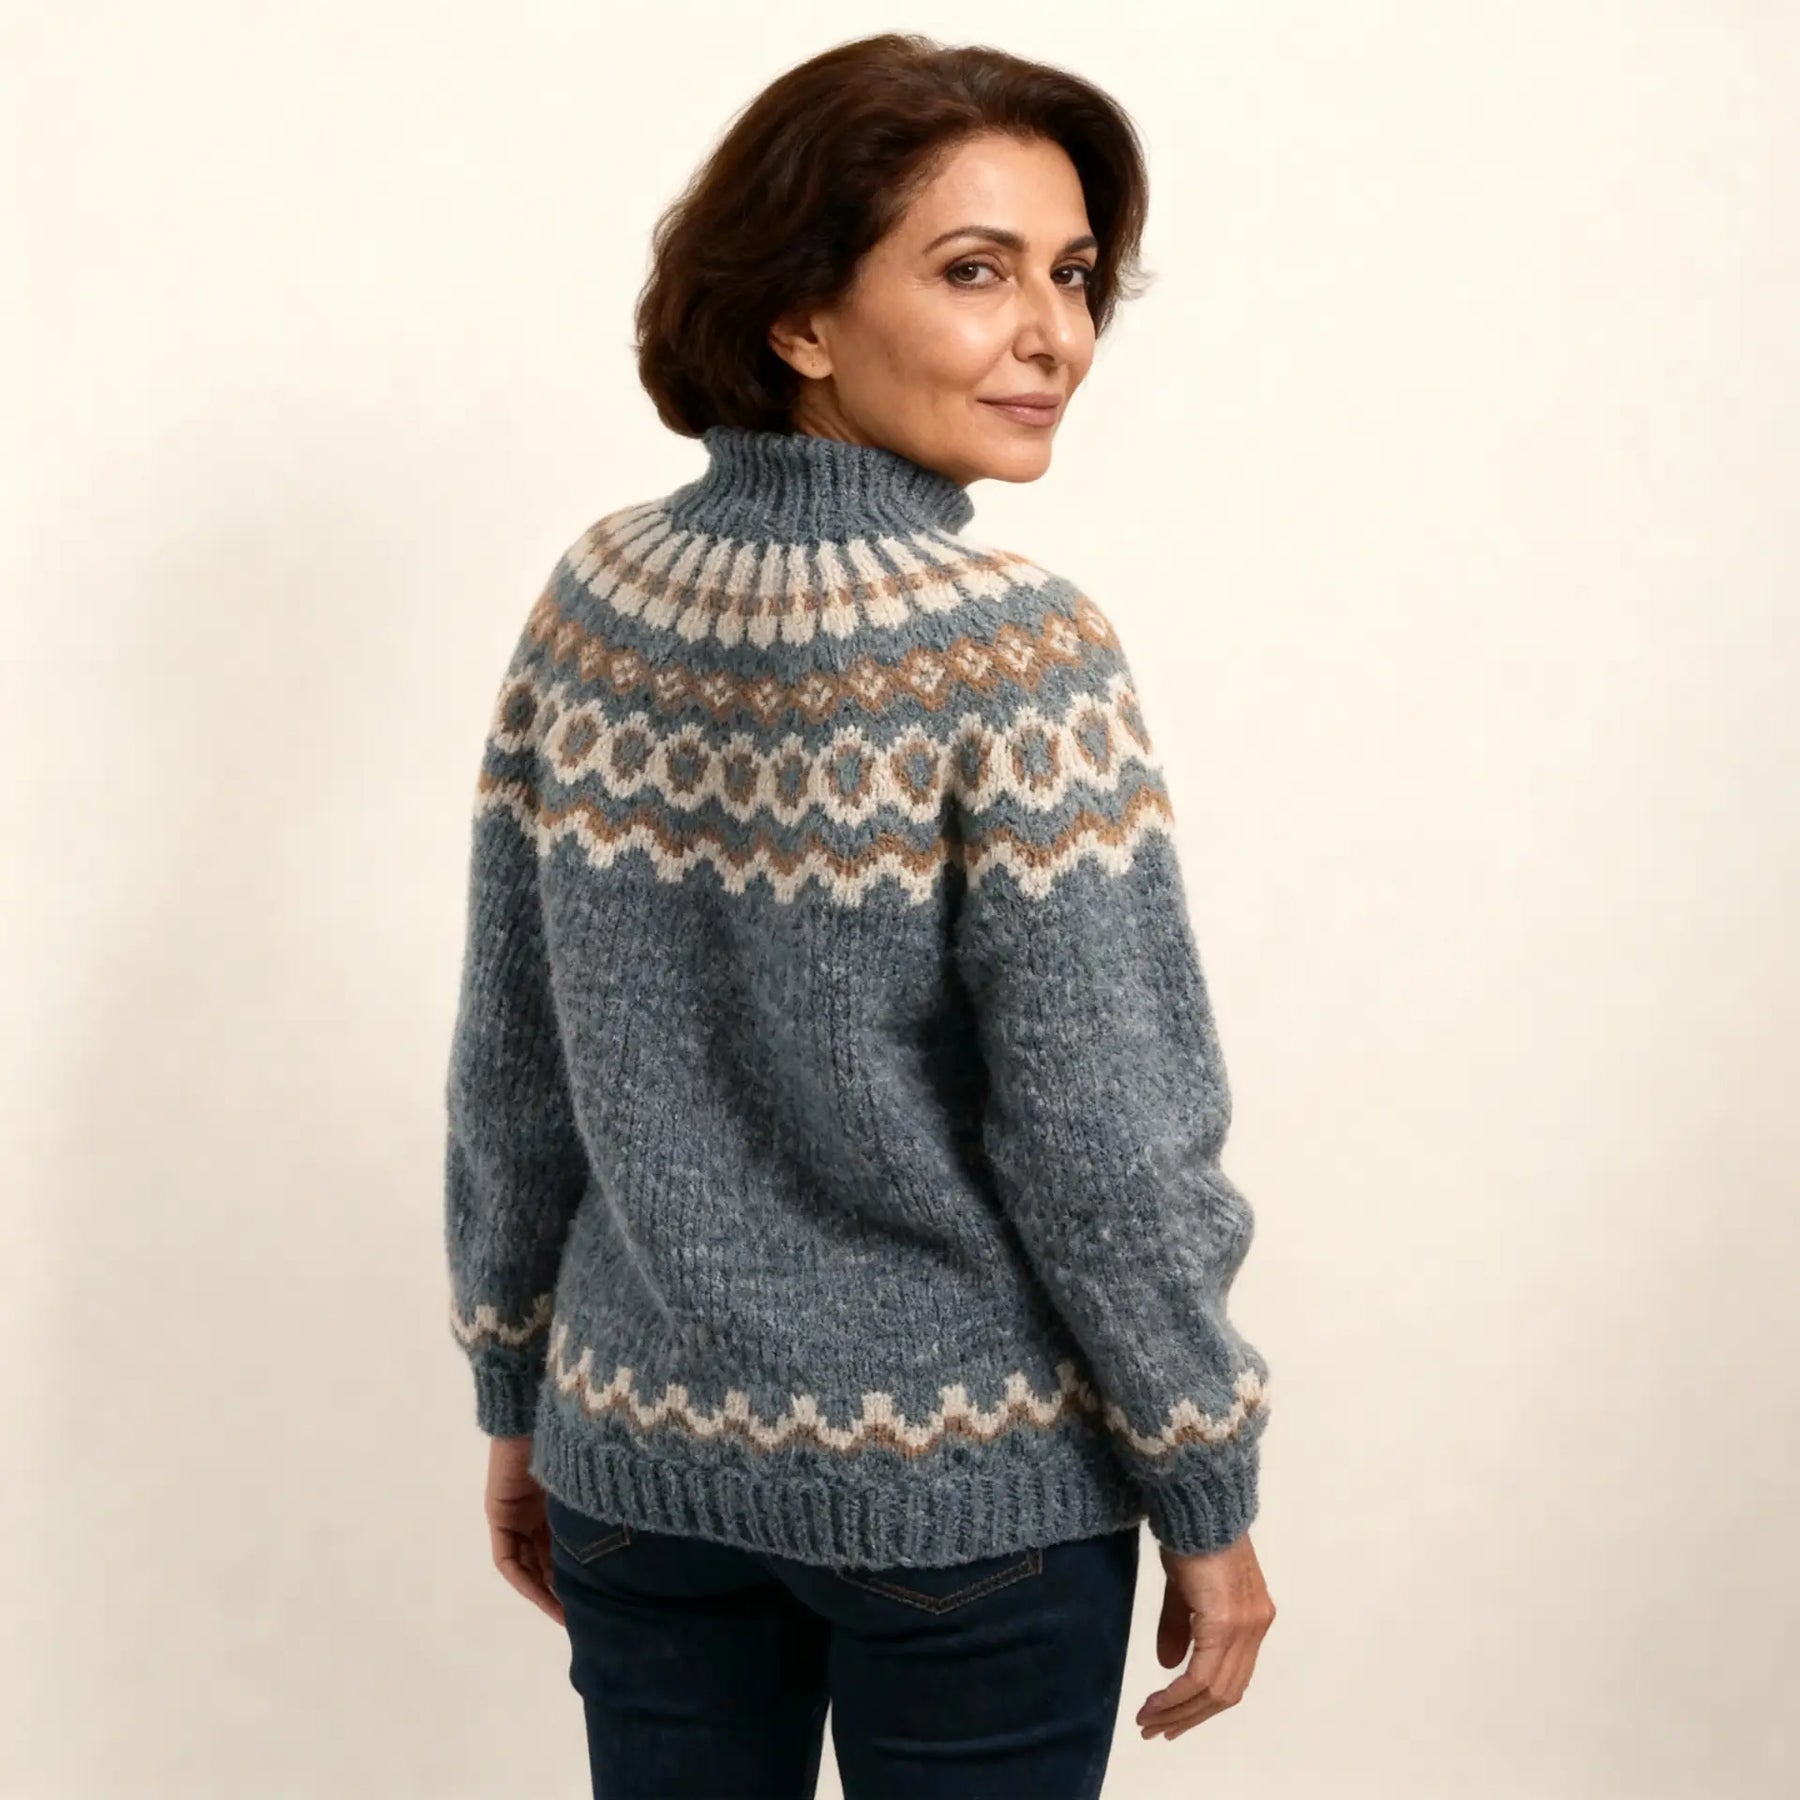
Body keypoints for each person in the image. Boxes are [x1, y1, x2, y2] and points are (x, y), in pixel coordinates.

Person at [443, 29, 1276, 1799]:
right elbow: (1108, 1141)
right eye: (975, 272)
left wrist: (519, 1389)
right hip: (967, 1498)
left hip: (635, 1463)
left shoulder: (595, 597)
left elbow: (510, 1062)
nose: (1053, 335)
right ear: (799, 317)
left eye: (1073, 275)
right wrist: (1205, 1481)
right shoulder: (1015, 656)